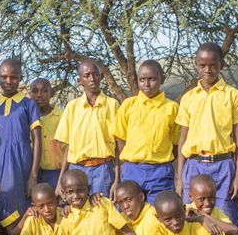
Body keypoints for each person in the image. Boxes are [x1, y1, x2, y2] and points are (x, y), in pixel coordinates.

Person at [175, 43, 238, 227]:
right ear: (196, 64)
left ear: (221, 64)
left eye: (213, 65)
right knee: (192, 217)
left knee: (227, 216)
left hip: (224, 166)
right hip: (194, 165)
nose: (208, 69)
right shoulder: (188, 97)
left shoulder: (232, 95)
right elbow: (182, 139)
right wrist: (179, 177)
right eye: (202, 65)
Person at [112, 60, 180, 204]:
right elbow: (120, 139)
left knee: (160, 212)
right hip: (132, 169)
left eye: (152, 79)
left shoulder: (172, 108)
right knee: (129, 213)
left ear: (162, 79)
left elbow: (175, 143)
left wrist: (159, 159)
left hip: (160, 171)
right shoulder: (128, 105)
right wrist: (130, 161)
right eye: (142, 80)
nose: (147, 84)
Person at [55, 59, 120, 197]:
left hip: (104, 169)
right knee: (78, 212)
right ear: (80, 80)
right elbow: (68, 147)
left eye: (95, 74)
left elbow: (118, 147)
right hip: (77, 169)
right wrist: (61, 179)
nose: (92, 79)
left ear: (101, 76)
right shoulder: (72, 107)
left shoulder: (112, 105)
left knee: (101, 212)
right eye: (87, 75)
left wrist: (118, 178)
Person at [0, 59, 41, 215]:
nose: (8, 81)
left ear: (20, 78)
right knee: (2, 209)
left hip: (21, 162)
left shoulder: (28, 104)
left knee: (24, 209)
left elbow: (37, 140)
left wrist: (33, 175)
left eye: (14, 77)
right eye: (4, 77)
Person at [29, 78, 63, 190]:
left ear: (51, 93)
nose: (39, 95)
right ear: (30, 94)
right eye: (35, 91)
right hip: (34, 174)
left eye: (44, 91)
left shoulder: (62, 117)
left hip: (58, 173)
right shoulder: (26, 118)